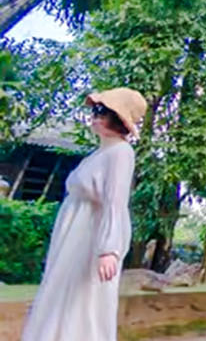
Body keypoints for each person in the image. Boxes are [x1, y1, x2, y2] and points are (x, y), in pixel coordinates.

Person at [21, 87, 146, 341]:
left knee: (84, 298)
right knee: (60, 292)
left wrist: (108, 249)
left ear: (120, 121)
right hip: (74, 231)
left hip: (91, 234)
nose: (97, 116)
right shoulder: (98, 153)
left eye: (106, 112)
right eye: (96, 110)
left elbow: (115, 202)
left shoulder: (121, 152)